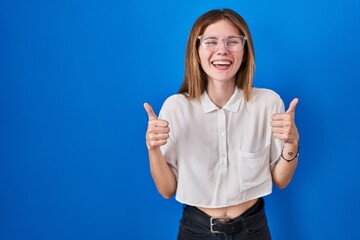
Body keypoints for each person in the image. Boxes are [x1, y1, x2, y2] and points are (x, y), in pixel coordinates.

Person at [144, 8, 299, 240]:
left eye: (232, 41)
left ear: (245, 51)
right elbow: (167, 190)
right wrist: (153, 148)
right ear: (196, 51)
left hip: (253, 229)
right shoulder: (176, 107)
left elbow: (281, 180)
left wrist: (292, 142)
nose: (222, 50)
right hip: (196, 230)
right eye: (211, 41)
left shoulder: (268, 103)